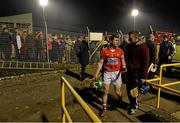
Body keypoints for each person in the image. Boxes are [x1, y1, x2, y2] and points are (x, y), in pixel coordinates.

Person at [94, 35, 126, 117]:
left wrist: (124, 67)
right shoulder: (104, 51)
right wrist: (96, 73)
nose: (117, 42)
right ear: (111, 41)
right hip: (107, 73)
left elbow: (122, 60)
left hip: (117, 73)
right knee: (105, 91)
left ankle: (120, 101)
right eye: (115, 40)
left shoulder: (120, 50)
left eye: (118, 40)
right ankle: (104, 107)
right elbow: (101, 62)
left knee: (117, 92)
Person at [126, 31, 149, 115]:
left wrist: (144, 76)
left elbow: (145, 62)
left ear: (136, 38)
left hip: (137, 73)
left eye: (130, 38)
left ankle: (134, 106)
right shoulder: (130, 46)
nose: (129, 39)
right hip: (129, 72)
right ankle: (132, 103)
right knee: (128, 90)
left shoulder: (143, 47)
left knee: (133, 91)